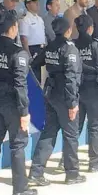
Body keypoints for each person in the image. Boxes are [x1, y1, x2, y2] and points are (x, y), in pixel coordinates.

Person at [0, 13, 36, 195]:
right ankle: (20, 189)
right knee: (18, 145)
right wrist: (24, 111)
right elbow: (21, 84)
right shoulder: (19, 53)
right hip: (12, 105)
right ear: (13, 28)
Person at [28, 17, 86, 186]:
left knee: (49, 133)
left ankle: (36, 172)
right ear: (68, 30)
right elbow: (71, 78)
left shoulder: (49, 47)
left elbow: (34, 64)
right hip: (64, 97)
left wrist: (43, 83)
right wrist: (72, 103)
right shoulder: (69, 49)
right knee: (70, 135)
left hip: (51, 94)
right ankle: (72, 174)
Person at [74, 14, 98, 171]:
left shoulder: (73, 45)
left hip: (77, 90)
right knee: (95, 127)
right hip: (95, 90)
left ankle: (68, 160)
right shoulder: (96, 45)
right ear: (90, 28)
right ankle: (94, 162)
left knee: (75, 128)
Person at [19, 0, 46, 82]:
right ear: (28, 4)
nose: (37, 4)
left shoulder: (40, 19)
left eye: (37, 1)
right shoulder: (25, 19)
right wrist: (28, 55)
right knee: (34, 76)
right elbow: (23, 38)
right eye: (34, 2)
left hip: (41, 49)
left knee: (40, 76)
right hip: (32, 50)